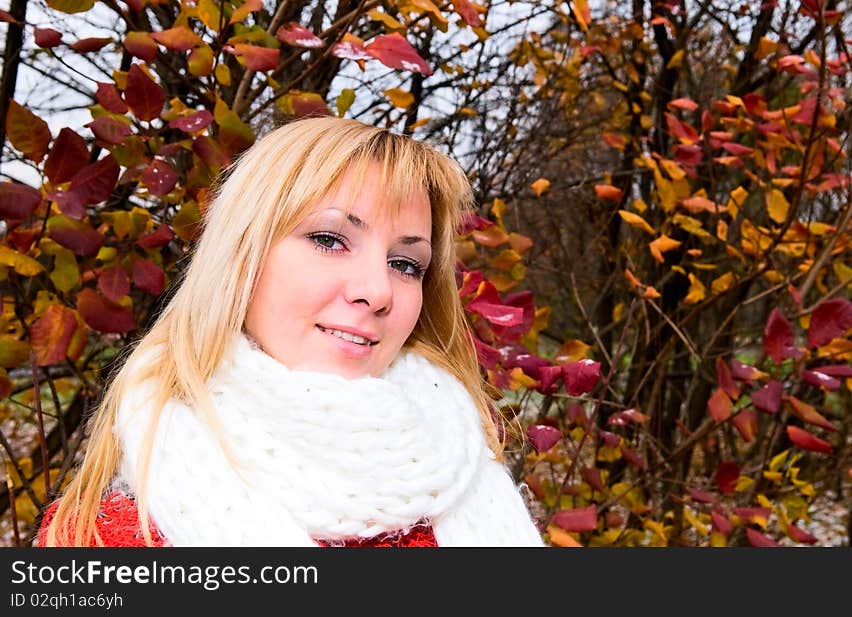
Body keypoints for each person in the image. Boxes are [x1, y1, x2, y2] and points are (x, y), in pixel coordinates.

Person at [37, 116, 546, 547]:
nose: (379, 290)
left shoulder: (471, 475)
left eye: (406, 263)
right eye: (328, 239)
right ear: (243, 253)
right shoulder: (104, 538)